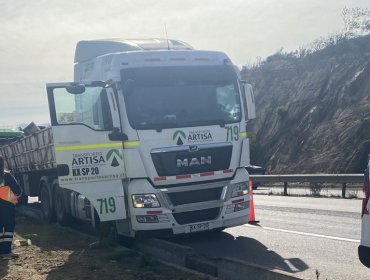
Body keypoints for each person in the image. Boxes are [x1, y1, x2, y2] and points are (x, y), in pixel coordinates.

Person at [0, 155, 22, 259]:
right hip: (7, 207)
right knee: (8, 227)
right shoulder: (6, 176)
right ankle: (6, 251)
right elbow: (18, 191)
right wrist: (12, 197)